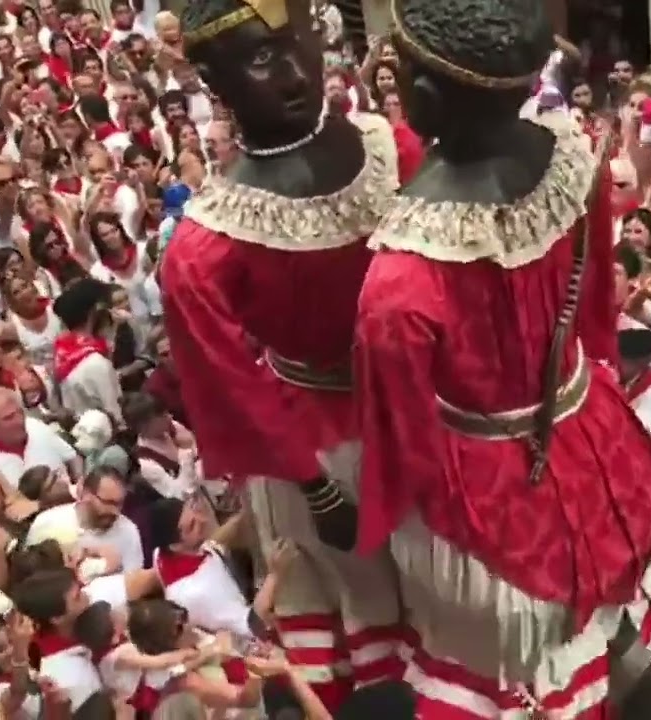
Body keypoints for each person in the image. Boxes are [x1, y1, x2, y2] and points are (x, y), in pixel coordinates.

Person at [352, 0, 651, 714]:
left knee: (511, 667)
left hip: (483, 496)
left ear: (424, 96)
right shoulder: (572, 158)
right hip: (589, 429)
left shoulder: (399, 281)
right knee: (605, 625)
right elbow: (594, 310)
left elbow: (403, 445)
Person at [159, 0, 406, 706]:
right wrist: (315, 485)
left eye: (297, 44)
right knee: (362, 611)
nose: (297, 74)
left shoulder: (390, 145)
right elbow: (229, 382)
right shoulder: (205, 245)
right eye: (262, 60)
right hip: (320, 447)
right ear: (215, 82)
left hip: (419, 409)